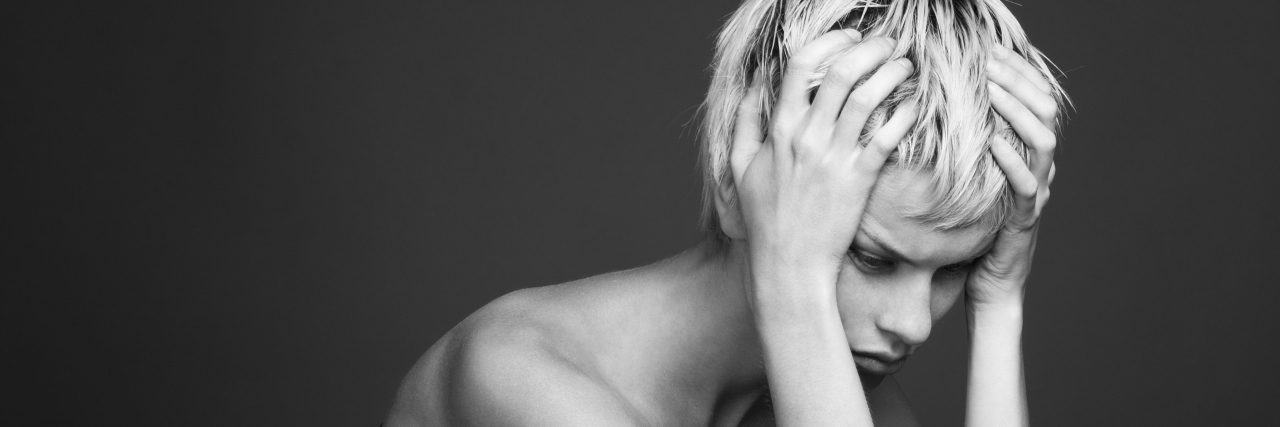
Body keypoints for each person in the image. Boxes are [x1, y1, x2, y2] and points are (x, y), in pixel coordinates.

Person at [385, 0, 1067, 425]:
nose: (913, 321)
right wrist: (793, 280)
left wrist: (1000, 304)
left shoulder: (841, 398)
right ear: (740, 185)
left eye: (953, 269)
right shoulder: (522, 380)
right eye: (872, 256)